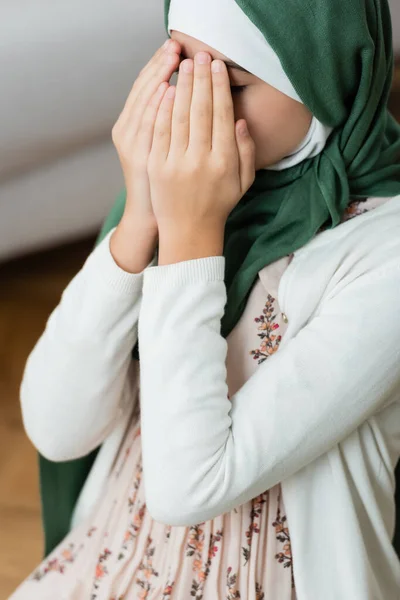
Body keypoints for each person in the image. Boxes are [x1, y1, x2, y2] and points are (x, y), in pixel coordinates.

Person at [9, 0, 400, 598]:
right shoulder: (171, 194)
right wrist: (139, 218)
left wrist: (193, 234)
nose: (193, 103)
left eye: (232, 81)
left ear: (329, 77)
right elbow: (57, 429)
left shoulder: (385, 256)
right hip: (115, 563)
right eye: (180, 64)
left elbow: (190, 487)